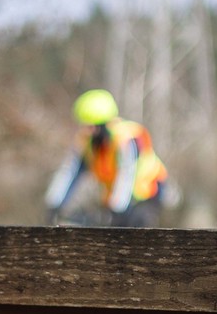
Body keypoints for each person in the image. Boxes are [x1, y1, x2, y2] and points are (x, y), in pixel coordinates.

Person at [45, 89, 171, 227]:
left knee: (136, 228)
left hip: (148, 193)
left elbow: (127, 173)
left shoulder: (125, 138)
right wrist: (54, 204)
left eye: (91, 126)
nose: (87, 131)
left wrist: (116, 208)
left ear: (103, 123)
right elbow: (69, 172)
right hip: (121, 198)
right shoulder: (87, 143)